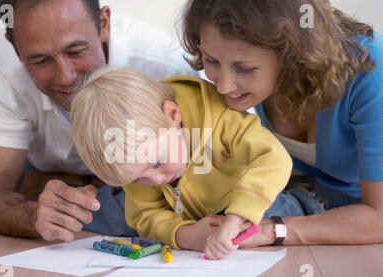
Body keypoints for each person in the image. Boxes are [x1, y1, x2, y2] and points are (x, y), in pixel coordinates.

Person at [0, 0, 198, 242]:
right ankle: (23, 163)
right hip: (3, 101)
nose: (65, 76)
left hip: (38, 145)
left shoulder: (165, 67)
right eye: (40, 60)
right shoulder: (5, 72)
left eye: (76, 50)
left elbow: (202, 174)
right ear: (14, 48)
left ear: (104, 25)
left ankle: (35, 174)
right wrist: (34, 214)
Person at [180, 0, 383, 247]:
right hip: (317, 208)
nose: (223, 86)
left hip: (364, 225)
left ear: (291, 54)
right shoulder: (252, 87)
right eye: (212, 61)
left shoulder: (371, 75)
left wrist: (272, 230)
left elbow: (379, 216)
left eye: (244, 68)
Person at [70, 66, 292, 259]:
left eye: (157, 162)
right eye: (138, 178)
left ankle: (307, 200)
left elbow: (274, 160)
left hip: (249, 199)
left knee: (276, 212)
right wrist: (184, 235)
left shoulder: (221, 119)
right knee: (125, 219)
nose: (157, 179)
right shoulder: (137, 160)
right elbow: (144, 214)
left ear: (172, 114)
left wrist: (235, 219)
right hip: (189, 215)